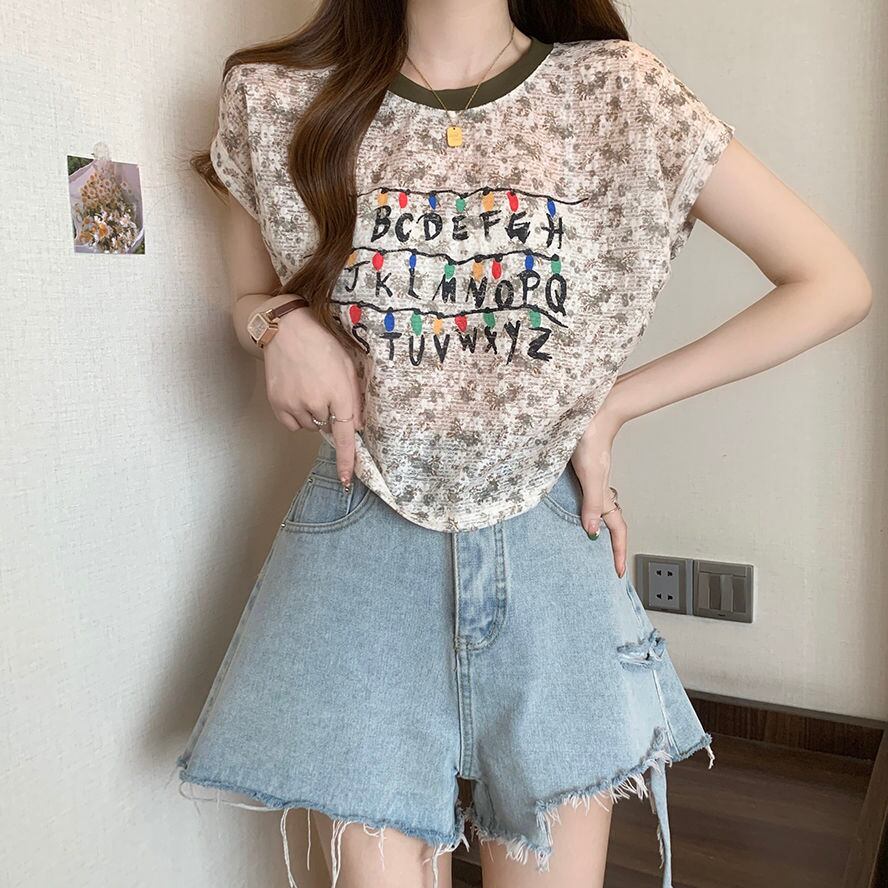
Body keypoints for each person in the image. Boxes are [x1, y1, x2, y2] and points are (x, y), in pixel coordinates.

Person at [174, 2, 873, 887]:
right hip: (360, 539)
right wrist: (278, 324)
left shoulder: (617, 94)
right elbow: (247, 297)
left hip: (548, 538)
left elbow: (831, 282)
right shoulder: (276, 98)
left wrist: (612, 408)